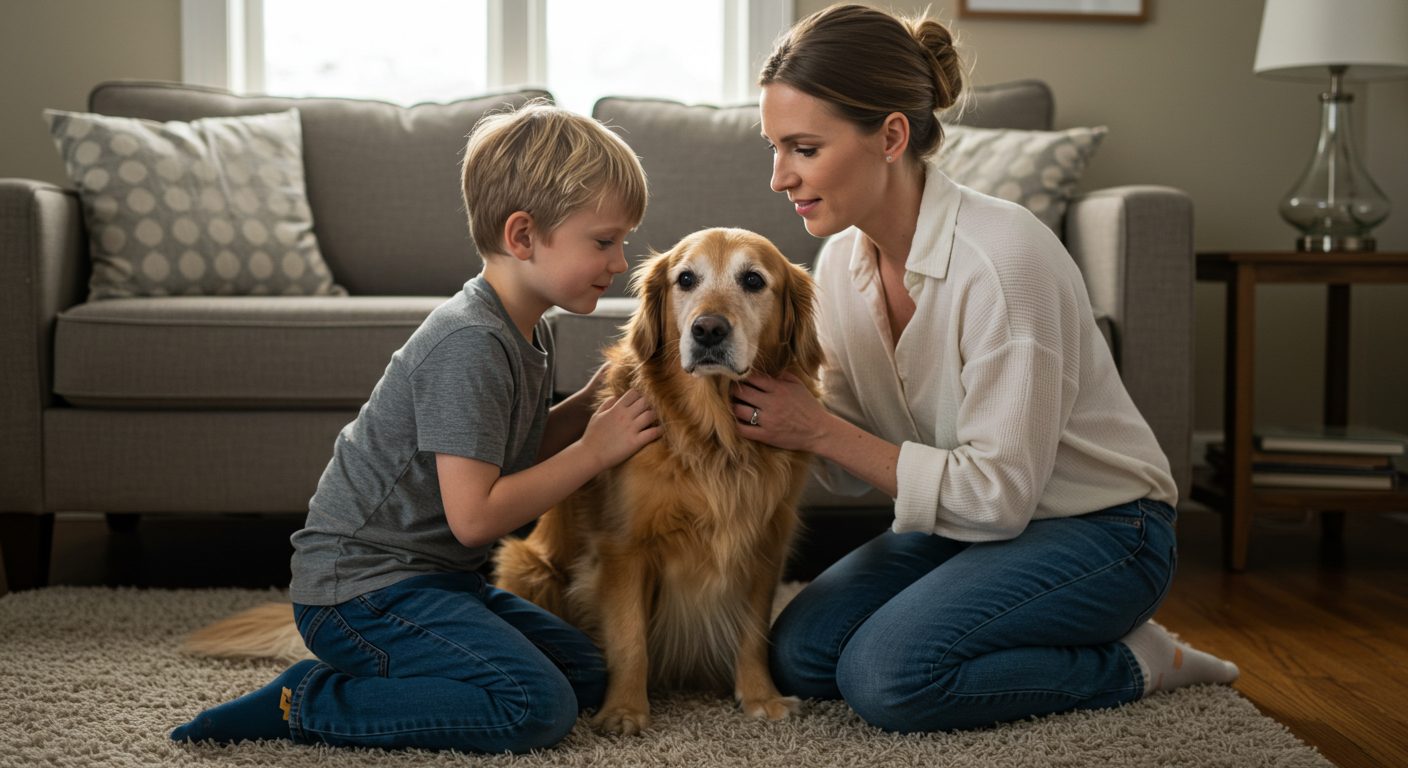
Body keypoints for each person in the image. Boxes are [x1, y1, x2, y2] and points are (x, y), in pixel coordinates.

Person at [733, 4, 1239, 733]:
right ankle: (1005, 619)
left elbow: (999, 497)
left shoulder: (1004, 262)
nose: (779, 177)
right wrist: (758, 425)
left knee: (888, 678)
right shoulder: (842, 263)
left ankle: (1137, 661)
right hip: (966, 525)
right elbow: (849, 457)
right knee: (802, 655)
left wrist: (816, 430)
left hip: (1103, 531)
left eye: (803, 148)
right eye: (774, 147)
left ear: (891, 136)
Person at [170, 103, 660, 752]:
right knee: (534, 708)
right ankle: (306, 699)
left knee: (588, 674)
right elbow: (477, 518)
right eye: (604, 241)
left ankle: (391, 670)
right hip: (360, 591)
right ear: (522, 237)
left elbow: (506, 457)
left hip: (434, 580)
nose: (621, 260)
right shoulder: (469, 343)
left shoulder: (530, 328)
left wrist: (588, 409)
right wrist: (595, 453)